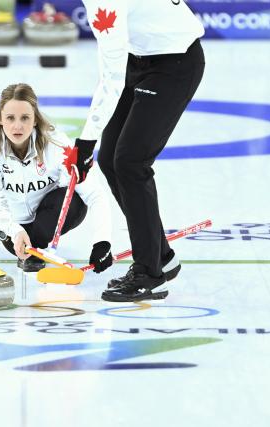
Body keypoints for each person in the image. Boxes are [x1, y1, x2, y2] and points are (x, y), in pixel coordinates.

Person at [72, 0, 206, 302]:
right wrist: (90, 145)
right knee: (109, 160)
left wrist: (85, 142)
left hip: (175, 64)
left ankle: (150, 273)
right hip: (140, 59)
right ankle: (161, 255)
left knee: (131, 162)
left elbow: (111, 77)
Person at [0, 83, 113, 273]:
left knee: (75, 199)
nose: (17, 126)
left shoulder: (57, 144)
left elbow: (94, 194)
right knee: (14, 227)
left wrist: (102, 242)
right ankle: (27, 245)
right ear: (0, 120)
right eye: (10, 118)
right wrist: (14, 230)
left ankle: (38, 245)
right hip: (15, 230)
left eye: (25, 118)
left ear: (36, 119)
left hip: (49, 215)